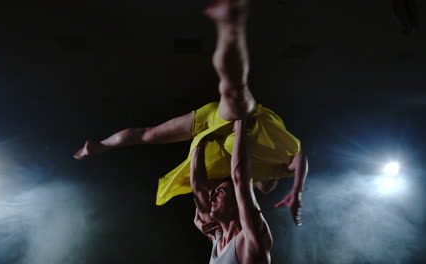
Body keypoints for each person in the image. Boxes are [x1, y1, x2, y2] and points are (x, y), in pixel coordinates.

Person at [74, 0, 308, 225]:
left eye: (262, 185)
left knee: (148, 134)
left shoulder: (239, 172)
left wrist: (204, 209)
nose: (264, 185)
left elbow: (202, 186)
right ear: (271, 179)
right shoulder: (280, 162)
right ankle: (230, 24)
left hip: (213, 123)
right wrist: (296, 192)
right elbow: (300, 160)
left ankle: (101, 146)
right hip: (243, 119)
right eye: (268, 184)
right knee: (234, 87)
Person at [192, 119, 273, 263]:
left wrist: (240, 123)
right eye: (214, 193)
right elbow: (198, 188)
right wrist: (199, 141)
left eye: (221, 192)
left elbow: (240, 178)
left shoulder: (251, 239)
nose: (211, 198)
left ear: (238, 202)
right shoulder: (217, 237)